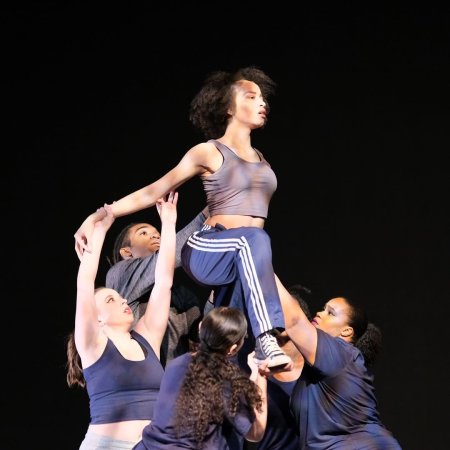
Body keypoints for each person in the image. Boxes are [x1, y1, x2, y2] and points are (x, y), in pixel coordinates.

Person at [74, 66, 291, 370]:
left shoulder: (262, 161)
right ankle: (267, 337)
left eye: (263, 98)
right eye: (251, 96)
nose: (262, 103)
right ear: (228, 107)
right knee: (254, 239)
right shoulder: (209, 152)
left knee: (229, 343)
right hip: (207, 247)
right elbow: (154, 190)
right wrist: (102, 213)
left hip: (240, 259)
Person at [66, 192, 178, 450]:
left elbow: (163, 282)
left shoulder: (147, 337)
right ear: (97, 318)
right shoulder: (92, 345)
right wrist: (101, 228)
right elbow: (85, 283)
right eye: (110, 300)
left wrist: (169, 225)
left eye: (119, 297)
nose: (123, 301)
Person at [275, 276, 403, 449]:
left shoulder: (342, 353)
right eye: (323, 309)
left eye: (331, 313)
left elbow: (295, 322)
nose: (320, 313)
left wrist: (261, 267)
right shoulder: (314, 370)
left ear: (346, 331)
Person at [132, 306, 269, 450]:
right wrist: (261, 376)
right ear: (233, 348)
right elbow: (255, 433)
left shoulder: (175, 365)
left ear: (200, 327)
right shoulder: (225, 380)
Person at [105, 207, 209, 366]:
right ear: (127, 252)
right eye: (143, 233)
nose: (155, 235)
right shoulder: (119, 276)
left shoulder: (181, 293)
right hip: (139, 378)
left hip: (175, 379)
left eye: (158, 233)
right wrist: (207, 214)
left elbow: (202, 334)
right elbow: (169, 256)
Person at [245, 284, 313, 450]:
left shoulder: (315, 369)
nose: (274, 319)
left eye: (280, 313)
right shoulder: (252, 364)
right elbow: (249, 428)